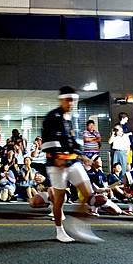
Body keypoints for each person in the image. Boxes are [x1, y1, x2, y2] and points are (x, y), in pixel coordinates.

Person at [41, 86, 100, 243]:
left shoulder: (71, 118)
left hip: (72, 161)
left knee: (89, 194)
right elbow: (47, 141)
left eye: (73, 99)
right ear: (61, 100)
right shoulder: (51, 117)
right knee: (59, 199)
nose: (71, 102)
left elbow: (73, 142)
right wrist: (56, 157)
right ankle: (59, 230)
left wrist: (84, 157)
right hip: (56, 164)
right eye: (68, 99)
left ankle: (78, 225)